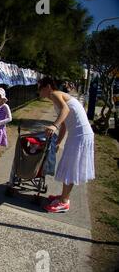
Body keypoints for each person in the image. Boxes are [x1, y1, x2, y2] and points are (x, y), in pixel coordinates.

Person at [38, 77, 95, 213]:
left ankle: (64, 202)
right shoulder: (56, 98)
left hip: (80, 136)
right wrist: (58, 142)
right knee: (70, 166)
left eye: (40, 88)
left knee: (71, 168)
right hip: (78, 135)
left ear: (48, 87)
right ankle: (64, 197)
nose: (38, 91)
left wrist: (53, 125)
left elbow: (66, 110)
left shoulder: (55, 94)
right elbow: (64, 124)